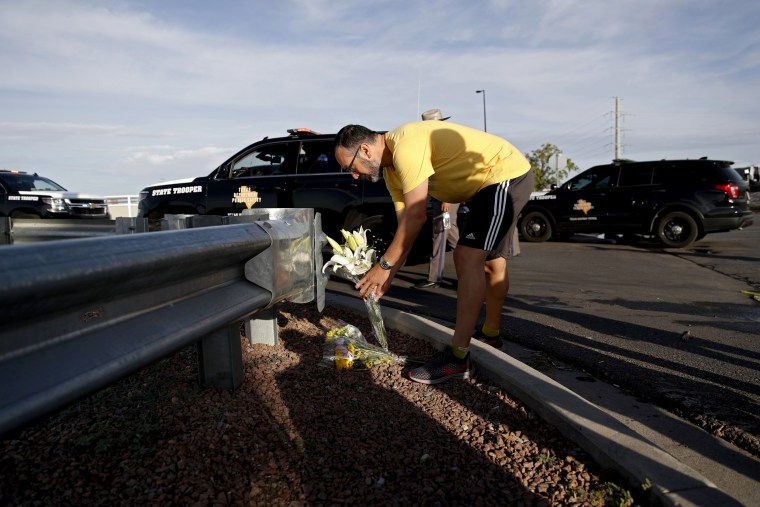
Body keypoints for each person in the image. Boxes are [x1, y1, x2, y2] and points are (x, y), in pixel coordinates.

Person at [334, 120, 534, 384]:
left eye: (350, 167)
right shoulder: (392, 174)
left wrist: (382, 267)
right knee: (490, 262)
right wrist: (388, 276)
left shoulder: (405, 144)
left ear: (365, 150)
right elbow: (406, 228)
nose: (354, 176)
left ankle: (458, 358)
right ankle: (490, 334)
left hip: (504, 173)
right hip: (482, 188)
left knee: (466, 255)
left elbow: (417, 217)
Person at [415, 108, 459, 290]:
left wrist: (446, 199)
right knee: (454, 236)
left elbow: (451, 173)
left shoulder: (444, 145)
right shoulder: (438, 142)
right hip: (442, 197)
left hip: (445, 198)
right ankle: (474, 271)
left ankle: (435, 277)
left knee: (440, 235)